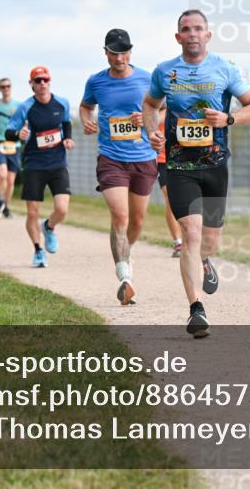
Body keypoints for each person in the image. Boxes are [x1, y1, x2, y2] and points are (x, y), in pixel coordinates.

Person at [143, 9, 250, 338]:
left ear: (207, 35)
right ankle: (196, 308)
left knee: (210, 240)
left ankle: (205, 262)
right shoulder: (164, 71)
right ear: (178, 37)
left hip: (214, 166)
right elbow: (150, 105)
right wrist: (153, 132)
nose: (193, 33)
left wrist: (229, 119)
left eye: (199, 29)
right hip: (179, 166)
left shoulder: (226, 69)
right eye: (186, 29)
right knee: (191, 234)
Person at [80, 28, 158, 305]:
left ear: (130, 52)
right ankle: (124, 276)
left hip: (143, 157)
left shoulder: (147, 78)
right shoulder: (96, 82)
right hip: (111, 157)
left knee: (137, 220)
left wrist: (147, 117)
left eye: (124, 52)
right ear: (106, 53)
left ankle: (125, 253)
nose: (119, 57)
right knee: (120, 216)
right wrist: (87, 120)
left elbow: (163, 108)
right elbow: (85, 106)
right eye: (114, 53)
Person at [4, 66, 74, 268]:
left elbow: (67, 122)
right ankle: (38, 251)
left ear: (49, 81)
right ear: (31, 84)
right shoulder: (26, 107)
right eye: (37, 81)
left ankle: (49, 227)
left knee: (62, 209)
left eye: (45, 80)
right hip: (34, 164)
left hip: (58, 163)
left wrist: (68, 139)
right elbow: (9, 131)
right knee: (32, 212)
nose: (42, 84)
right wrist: (19, 135)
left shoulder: (62, 103)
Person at [0, 77, 22, 218]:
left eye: (8, 86)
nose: (6, 88)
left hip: (14, 144)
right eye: (3, 86)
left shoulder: (18, 105)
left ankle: (6, 207)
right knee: (2, 174)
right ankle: (0, 199)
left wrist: (16, 119)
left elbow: (24, 123)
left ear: (11, 87)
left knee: (11, 180)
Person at [155, 105, 183, 257]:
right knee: (171, 198)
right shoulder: (158, 99)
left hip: (184, 157)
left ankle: (192, 239)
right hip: (163, 159)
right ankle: (178, 242)